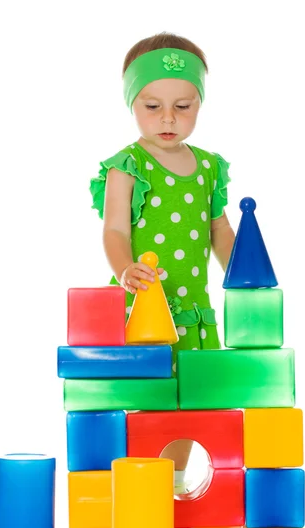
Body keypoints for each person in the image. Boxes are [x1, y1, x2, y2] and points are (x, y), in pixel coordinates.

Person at [90, 32, 236, 494]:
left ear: (200, 104)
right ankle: (136, 491)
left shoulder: (210, 167)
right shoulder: (128, 165)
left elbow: (219, 230)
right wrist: (123, 268)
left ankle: (172, 492)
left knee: (188, 408)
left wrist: (243, 276)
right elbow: (114, 228)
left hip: (191, 315)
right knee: (141, 403)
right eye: (152, 106)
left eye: (184, 106)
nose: (168, 118)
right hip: (143, 310)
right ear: (132, 102)